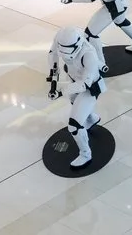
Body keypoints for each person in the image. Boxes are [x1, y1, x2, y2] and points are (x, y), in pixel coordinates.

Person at [47, 27, 105, 168]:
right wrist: (54, 73)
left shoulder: (88, 54)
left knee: (74, 125)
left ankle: (85, 154)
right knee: (75, 103)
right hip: (73, 79)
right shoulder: (60, 37)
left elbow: (85, 84)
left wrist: (60, 91)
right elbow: (52, 53)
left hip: (90, 87)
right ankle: (91, 118)